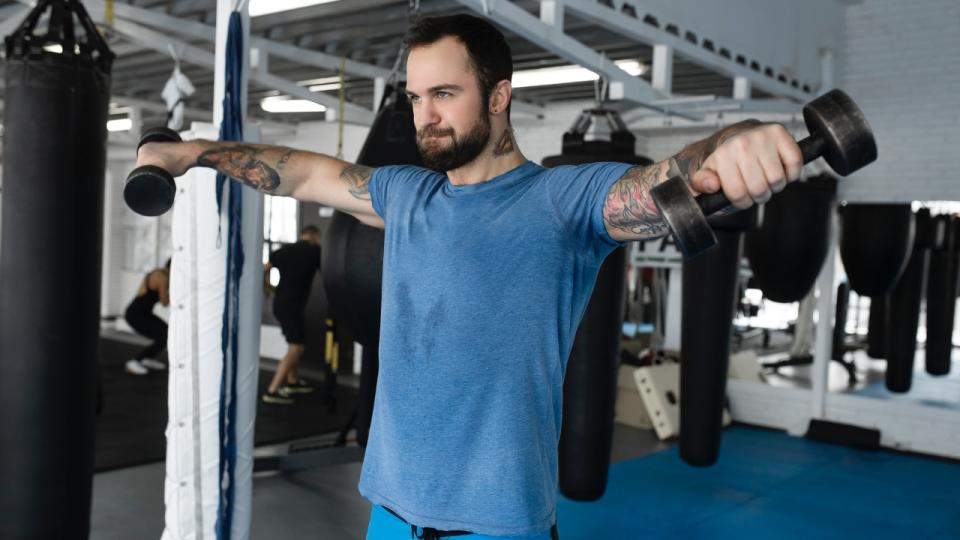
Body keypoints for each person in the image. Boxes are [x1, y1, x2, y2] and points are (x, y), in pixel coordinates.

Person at [135, 14, 803, 539]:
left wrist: (734, 136)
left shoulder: (563, 203)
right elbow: (306, 170)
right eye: (418, 96)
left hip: (497, 526)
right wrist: (188, 152)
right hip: (390, 517)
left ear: (500, 96)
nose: (425, 116)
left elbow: (665, 183)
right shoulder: (407, 196)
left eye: (446, 94)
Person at [261, 225, 322, 404]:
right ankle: (272, 390)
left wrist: (268, 287)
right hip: (292, 307)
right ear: (314, 237)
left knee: (295, 343)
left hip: (280, 304)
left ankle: (292, 382)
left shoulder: (284, 251)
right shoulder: (315, 251)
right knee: (296, 348)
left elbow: (264, 269)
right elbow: (331, 272)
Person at [124, 258, 171, 375]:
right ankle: (134, 362)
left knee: (166, 333)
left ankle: (146, 359)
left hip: (143, 313)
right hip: (136, 315)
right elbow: (165, 302)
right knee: (164, 335)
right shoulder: (162, 278)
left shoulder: (158, 272)